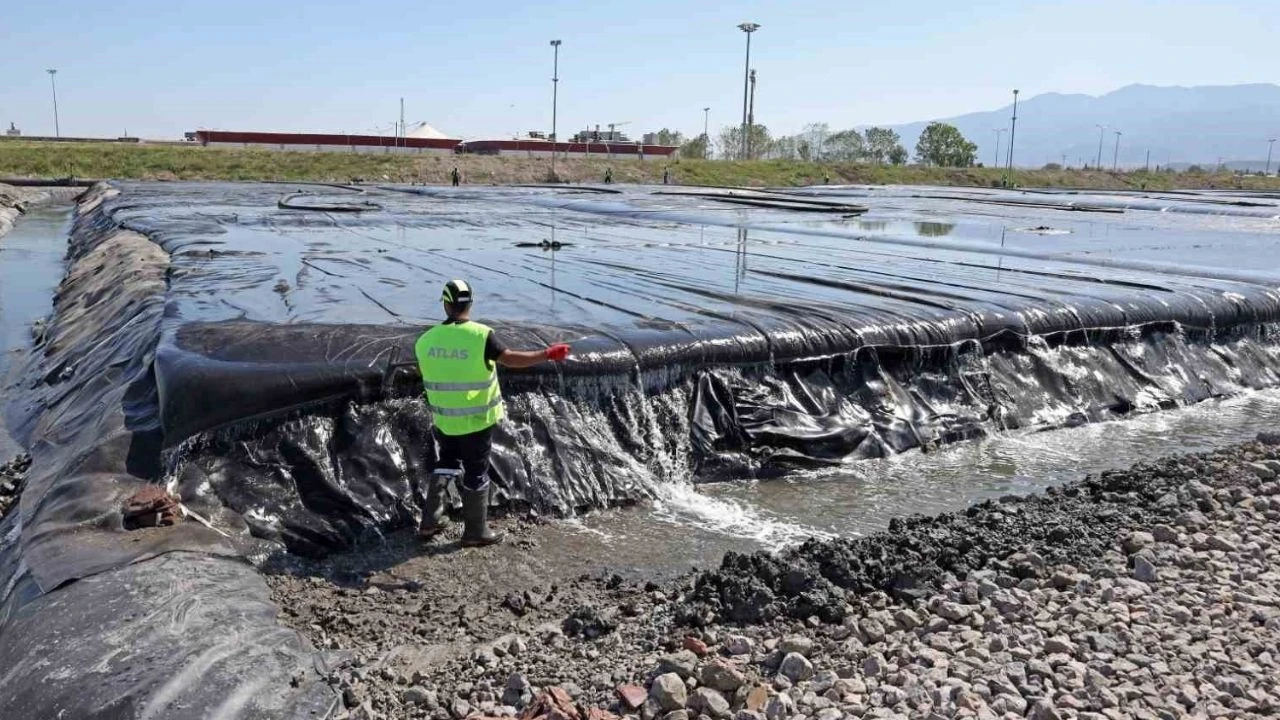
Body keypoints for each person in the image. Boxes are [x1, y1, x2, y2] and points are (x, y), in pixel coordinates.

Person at [414, 280, 570, 546]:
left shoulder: (425, 340)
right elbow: (510, 359)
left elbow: (427, 372)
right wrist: (547, 354)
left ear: (445, 304)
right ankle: (476, 532)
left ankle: (430, 521)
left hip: (445, 418)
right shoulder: (480, 335)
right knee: (476, 470)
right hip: (476, 419)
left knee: (447, 460)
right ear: (470, 304)